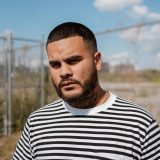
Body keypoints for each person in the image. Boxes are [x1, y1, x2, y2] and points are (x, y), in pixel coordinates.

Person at [12, 22, 160, 160]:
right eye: (55, 64)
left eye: (73, 60)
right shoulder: (37, 123)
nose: (64, 72)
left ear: (97, 61)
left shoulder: (140, 125)